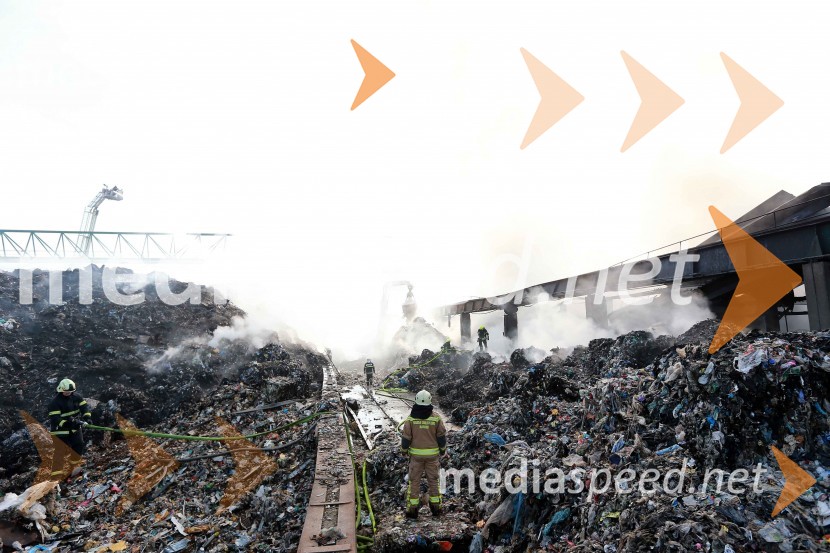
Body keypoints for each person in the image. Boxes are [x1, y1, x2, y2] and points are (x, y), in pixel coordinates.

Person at [401, 390, 447, 519]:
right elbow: (441, 437)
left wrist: (404, 451)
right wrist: (443, 450)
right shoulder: (436, 418)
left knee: (414, 482)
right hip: (432, 457)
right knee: (433, 481)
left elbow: (406, 439)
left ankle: (412, 510)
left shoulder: (410, 419)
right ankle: (436, 508)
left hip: (416, 457)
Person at [48, 378, 92, 456]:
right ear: (61, 389)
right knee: (60, 451)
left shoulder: (77, 397)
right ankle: (57, 468)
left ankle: (74, 466)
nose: (68, 393)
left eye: (70, 391)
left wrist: (87, 417)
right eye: (66, 391)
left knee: (79, 445)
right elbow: (55, 418)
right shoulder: (55, 402)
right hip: (60, 430)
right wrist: (66, 424)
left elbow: (84, 407)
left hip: (74, 427)